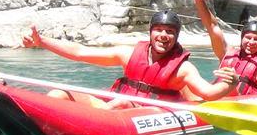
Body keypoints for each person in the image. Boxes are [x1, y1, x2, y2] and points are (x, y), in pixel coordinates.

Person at [20, 11, 237, 107]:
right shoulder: (128, 53)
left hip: (145, 111)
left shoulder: (183, 69)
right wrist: (42, 41)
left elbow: (208, 94)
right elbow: (79, 52)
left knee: (122, 103)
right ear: (150, 33)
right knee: (57, 94)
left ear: (176, 37)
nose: (163, 35)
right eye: (159, 30)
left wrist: (229, 84)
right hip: (114, 104)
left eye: (170, 32)